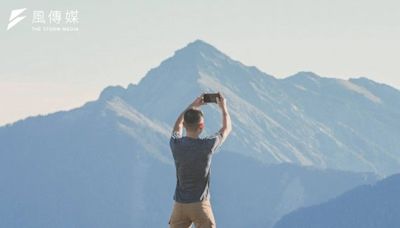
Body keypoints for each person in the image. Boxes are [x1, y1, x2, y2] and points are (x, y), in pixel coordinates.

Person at [168, 92, 232, 228]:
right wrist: (223, 108)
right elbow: (226, 129)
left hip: (179, 206)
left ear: (185, 124)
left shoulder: (175, 144)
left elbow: (177, 126)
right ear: (201, 126)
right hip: (200, 205)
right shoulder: (207, 145)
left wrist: (192, 106)